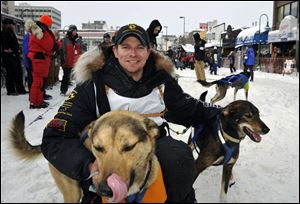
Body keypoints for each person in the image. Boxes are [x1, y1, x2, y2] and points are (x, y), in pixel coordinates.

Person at [41, 23, 221, 203]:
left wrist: (221, 112)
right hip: (108, 148)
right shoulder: (92, 84)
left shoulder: (161, 80)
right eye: (125, 47)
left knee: (179, 158)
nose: (133, 54)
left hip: (154, 140)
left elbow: (188, 108)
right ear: (115, 50)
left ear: (148, 51)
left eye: (139, 47)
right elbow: (55, 137)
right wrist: (88, 166)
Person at [27, 15, 55, 109]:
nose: (50, 27)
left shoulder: (38, 30)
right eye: (50, 24)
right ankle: (35, 103)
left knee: (39, 82)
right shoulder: (41, 32)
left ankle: (38, 101)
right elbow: (49, 45)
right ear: (47, 23)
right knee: (38, 82)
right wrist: (57, 44)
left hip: (38, 58)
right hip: (38, 59)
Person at [1, 18, 27, 96]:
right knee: (11, 73)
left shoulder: (11, 32)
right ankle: (11, 90)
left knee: (18, 72)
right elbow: (5, 43)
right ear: (8, 24)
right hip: (9, 55)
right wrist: (8, 49)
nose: (13, 26)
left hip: (14, 54)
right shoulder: (4, 32)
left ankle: (20, 89)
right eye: (12, 24)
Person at [60, 24, 81, 96]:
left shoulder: (78, 40)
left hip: (76, 62)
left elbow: (81, 50)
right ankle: (63, 90)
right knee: (66, 76)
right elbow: (62, 51)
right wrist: (64, 60)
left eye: (76, 31)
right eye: (74, 31)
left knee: (78, 77)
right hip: (68, 61)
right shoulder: (65, 39)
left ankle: (78, 91)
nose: (75, 32)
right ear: (70, 31)